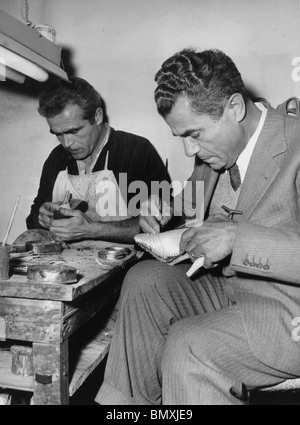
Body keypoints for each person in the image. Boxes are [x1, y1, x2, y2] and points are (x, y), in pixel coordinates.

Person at [95, 48, 300, 405]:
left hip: (288, 313)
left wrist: (236, 239)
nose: (189, 150)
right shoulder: (215, 155)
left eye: (194, 134)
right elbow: (191, 199)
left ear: (235, 108)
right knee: (145, 281)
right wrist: (161, 206)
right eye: (181, 138)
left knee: (189, 344)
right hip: (234, 292)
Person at [26, 77, 168, 243]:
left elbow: (159, 225)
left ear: (97, 116)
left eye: (74, 131)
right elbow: (33, 219)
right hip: (70, 262)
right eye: (58, 134)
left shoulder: (135, 151)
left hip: (128, 264)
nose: (67, 143)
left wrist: (91, 229)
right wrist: (42, 219)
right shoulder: (57, 158)